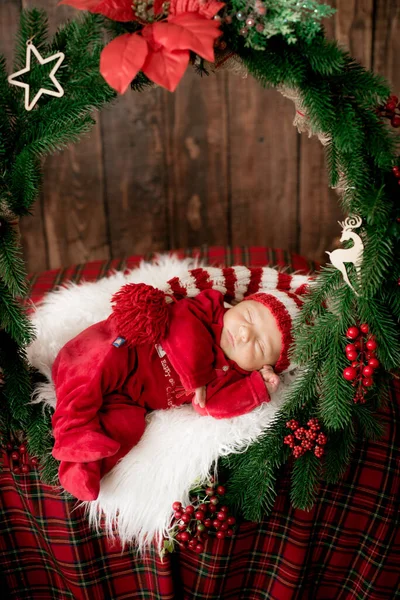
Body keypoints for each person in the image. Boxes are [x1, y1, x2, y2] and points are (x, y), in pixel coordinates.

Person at [51, 283, 303, 501]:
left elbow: (210, 406)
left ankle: (84, 467)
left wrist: (257, 387)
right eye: (248, 316)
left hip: (133, 398)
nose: (245, 333)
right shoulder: (208, 308)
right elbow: (181, 324)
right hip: (125, 348)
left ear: (263, 366)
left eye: (259, 345)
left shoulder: (233, 375)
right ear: (239, 304)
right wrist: (197, 375)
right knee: (98, 368)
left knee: (127, 425)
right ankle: (71, 429)